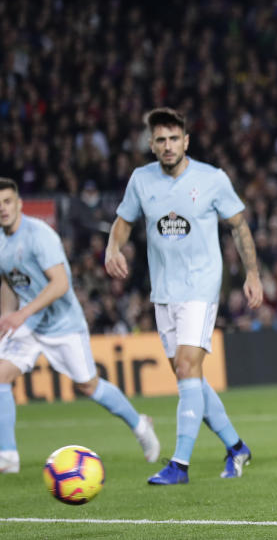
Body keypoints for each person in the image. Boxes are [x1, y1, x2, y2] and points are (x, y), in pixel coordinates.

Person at [105, 108, 264, 485]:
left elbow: (239, 226)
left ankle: (179, 464)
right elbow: (124, 222)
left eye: (174, 138)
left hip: (201, 286)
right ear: (151, 144)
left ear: (186, 141)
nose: (167, 146)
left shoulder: (212, 179)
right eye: (160, 140)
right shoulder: (141, 180)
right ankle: (236, 446)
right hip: (164, 291)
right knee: (188, 375)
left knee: (188, 368)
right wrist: (112, 249)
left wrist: (252, 273)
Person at [0, 178, 160, 474]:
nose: (3, 208)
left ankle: (140, 425)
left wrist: (21, 315)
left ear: (19, 203)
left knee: (88, 385)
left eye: (8, 201)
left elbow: (61, 284)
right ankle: (7, 455)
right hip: (29, 323)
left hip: (62, 323)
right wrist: (6, 317)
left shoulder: (39, 235)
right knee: (0, 375)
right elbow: (10, 281)